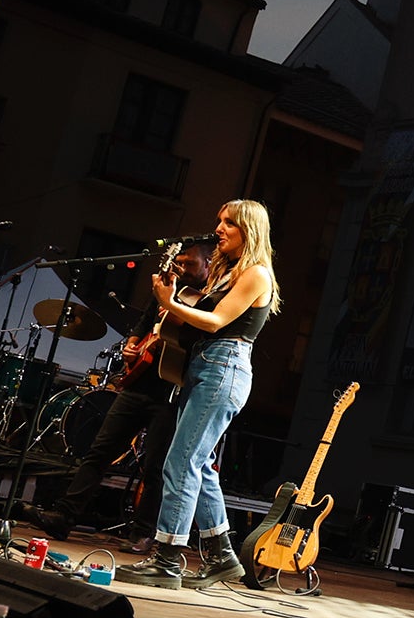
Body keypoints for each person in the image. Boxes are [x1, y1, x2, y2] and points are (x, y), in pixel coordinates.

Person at [118, 200, 279, 591]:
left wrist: (169, 303)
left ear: (249, 230)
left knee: (181, 462)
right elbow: (192, 322)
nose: (218, 228)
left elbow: (216, 321)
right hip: (206, 368)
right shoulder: (228, 274)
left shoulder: (257, 274)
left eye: (229, 223)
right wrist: (171, 304)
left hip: (224, 368)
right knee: (199, 465)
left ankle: (167, 558)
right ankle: (223, 556)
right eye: (219, 220)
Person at [36, 240, 212, 545]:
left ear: (208, 264)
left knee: (156, 467)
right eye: (179, 262)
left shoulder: (209, 301)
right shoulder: (169, 288)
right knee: (99, 451)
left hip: (172, 392)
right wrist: (133, 344)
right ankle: (63, 516)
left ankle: (144, 532)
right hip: (138, 384)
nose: (181, 268)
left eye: (189, 264)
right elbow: (145, 321)